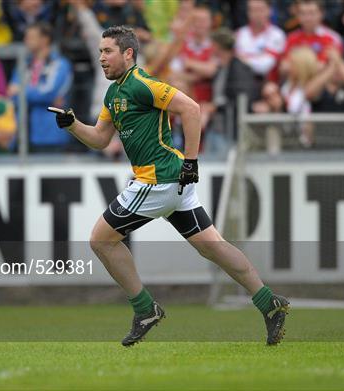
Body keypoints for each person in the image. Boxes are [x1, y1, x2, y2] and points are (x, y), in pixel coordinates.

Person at [48, 26, 289, 347]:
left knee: (101, 240)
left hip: (157, 179)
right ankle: (269, 303)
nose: (101, 58)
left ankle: (145, 309)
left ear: (128, 54)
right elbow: (100, 139)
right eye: (101, 51)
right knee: (211, 246)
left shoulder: (142, 84)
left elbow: (191, 108)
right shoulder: (113, 93)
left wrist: (192, 161)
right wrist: (72, 124)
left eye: (108, 51)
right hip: (171, 181)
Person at [8, 22, 73, 152]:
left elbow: (48, 93)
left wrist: (21, 91)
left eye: (30, 37)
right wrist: (32, 95)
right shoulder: (23, 64)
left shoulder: (60, 64)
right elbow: (11, 94)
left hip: (50, 134)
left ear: (45, 39)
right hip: (22, 132)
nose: (25, 40)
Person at [236, 0, 286, 82]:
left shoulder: (277, 34)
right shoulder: (239, 34)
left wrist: (242, 59)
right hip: (242, 83)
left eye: (260, 9)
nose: (257, 14)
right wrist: (257, 58)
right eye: (253, 10)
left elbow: (264, 66)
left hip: (267, 84)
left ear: (270, 11)